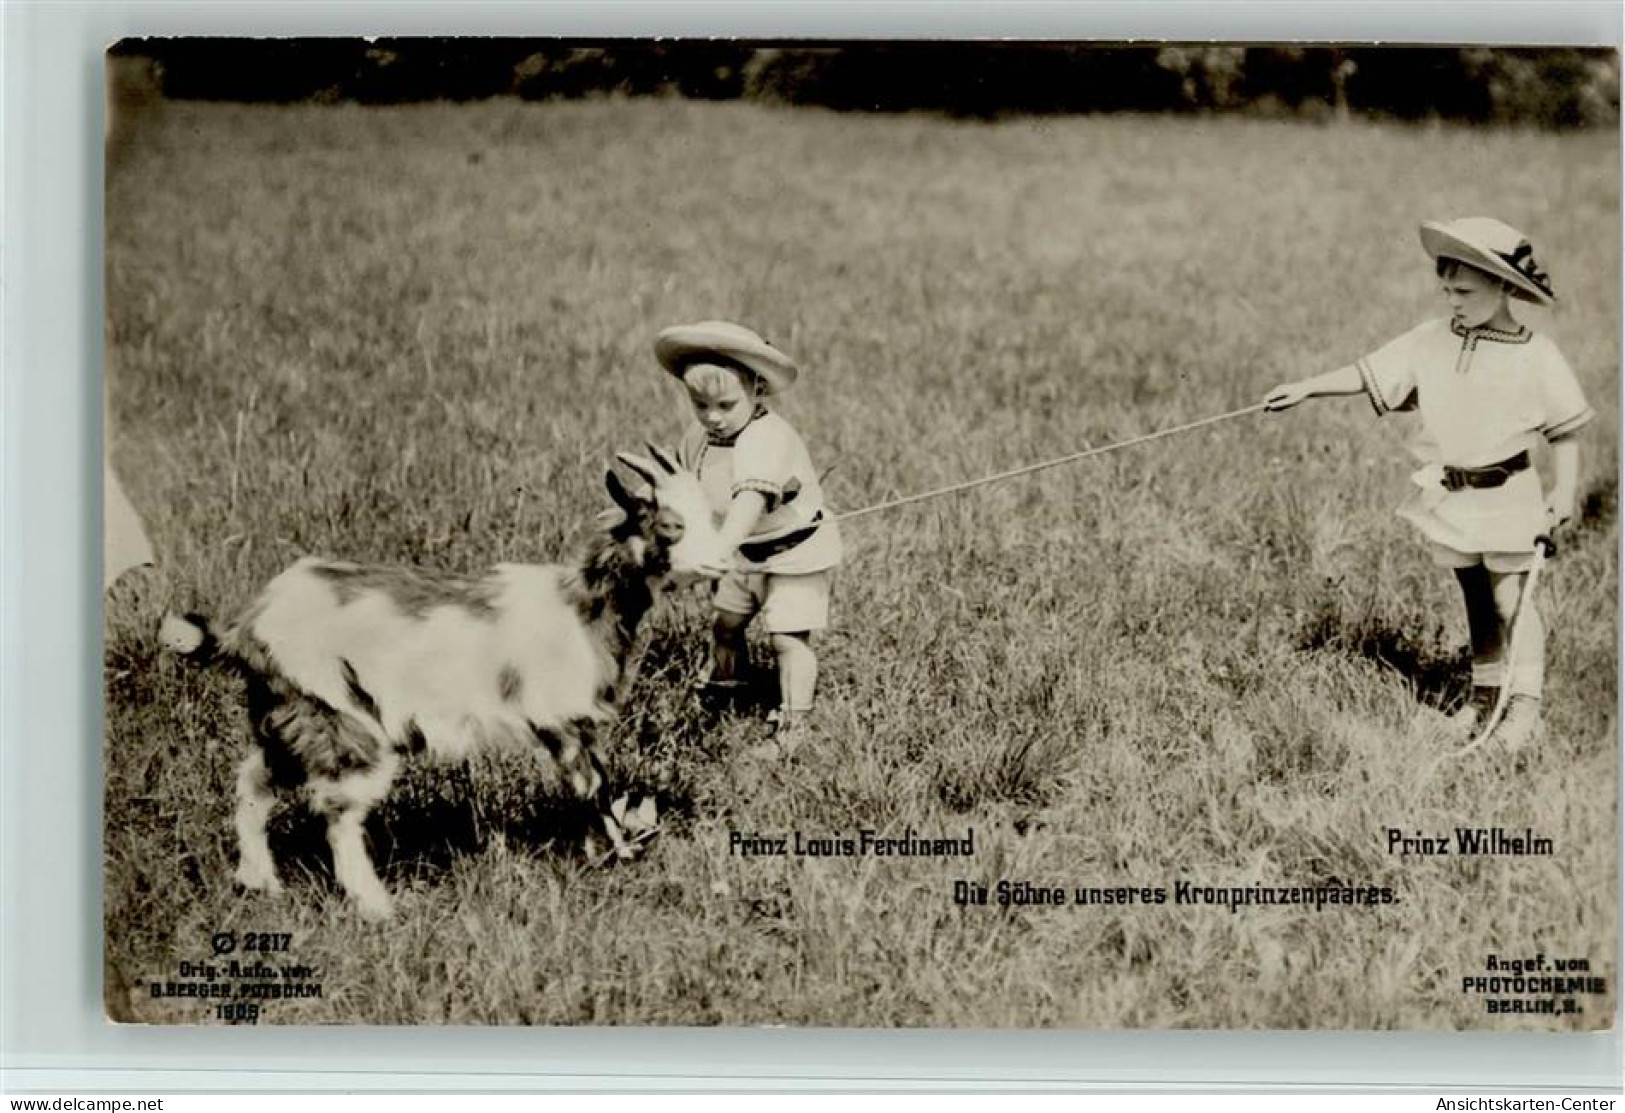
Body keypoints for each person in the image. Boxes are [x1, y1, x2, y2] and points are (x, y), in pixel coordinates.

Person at [1263, 218, 1593, 748]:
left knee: (1512, 600)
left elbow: (1567, 432)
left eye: (1464, 291)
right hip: (1452, 495)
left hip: (1507, 495)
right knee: (1476, 597)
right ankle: (1484, 695)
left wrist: (1564, 491)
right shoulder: (1430, 340)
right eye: (1446, 291)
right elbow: (1366, 371)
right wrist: (1306, 388)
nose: (1453, 301)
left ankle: (1524, 707)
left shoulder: (1535, 354)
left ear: (1504, 286)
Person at [654, 320, 843, 743]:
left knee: (786, 638)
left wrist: (714, 553)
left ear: (757, 390)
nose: (712, 418)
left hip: (794, 552)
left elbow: (747, 504)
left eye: (724, 405)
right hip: (744, 552)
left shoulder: (766, 438)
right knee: (725, 625)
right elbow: (682, 488)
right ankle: (727, 687)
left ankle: (795, 724)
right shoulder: (699, 438)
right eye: (700, 405)